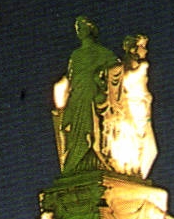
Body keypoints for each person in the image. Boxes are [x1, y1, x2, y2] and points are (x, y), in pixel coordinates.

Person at [52, 17, 119, 175]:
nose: (80, 31)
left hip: (90, 92)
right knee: (68, 127)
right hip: (76, 93)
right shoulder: (75, 55)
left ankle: (94, 157)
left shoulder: (102, 52)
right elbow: (69, 76)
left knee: (90, 126)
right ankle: (74, 161)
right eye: (78, 28)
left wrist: (100, 73)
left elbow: (116, 65)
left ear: (90, 30)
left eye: (82, 27)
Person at [104, 34, 157, 178]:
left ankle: (136, 175)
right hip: (133, 105)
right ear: (134, 48)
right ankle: (133, 173)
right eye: (142, 46)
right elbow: (125, 80)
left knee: (149, 147)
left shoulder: (136, 62)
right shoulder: (128, 63)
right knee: (140, 142)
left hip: (142, 106)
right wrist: (141, 70)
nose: (145, 51)